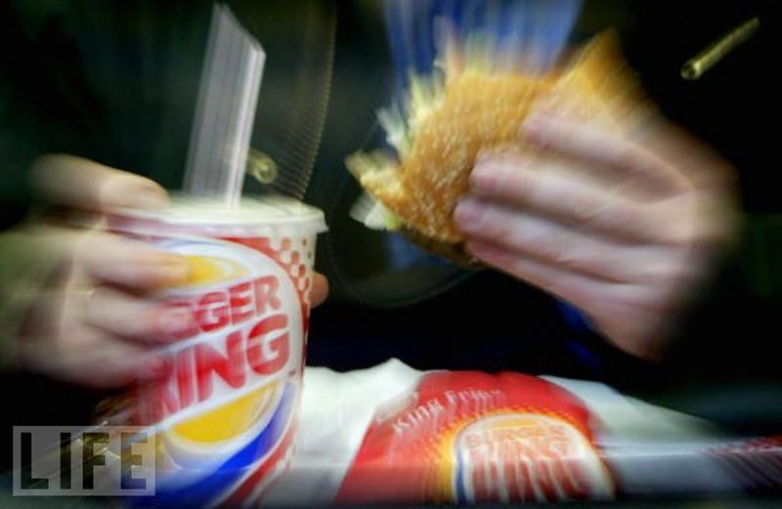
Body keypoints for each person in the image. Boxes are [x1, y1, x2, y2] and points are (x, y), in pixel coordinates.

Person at [0, 0, 778, 461]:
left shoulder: (716, 33)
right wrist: (19, 316)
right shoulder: (99, 22)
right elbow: (41, 454)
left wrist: (715, 300)